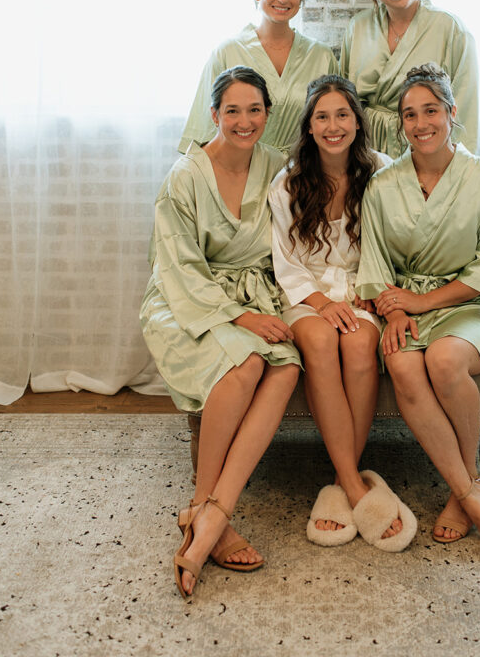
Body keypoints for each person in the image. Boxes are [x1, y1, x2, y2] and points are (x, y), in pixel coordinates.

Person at [140, 66, 301, 599]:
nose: (244, 120)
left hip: (256, 294)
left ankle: (205, 514)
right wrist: (239, 317)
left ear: (268, 115)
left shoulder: (279, 167)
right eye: (232, 110)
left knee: (283, 364)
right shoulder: (184, 177)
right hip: (188, 300)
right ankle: (211, 510)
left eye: (255, 109)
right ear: (214, 115)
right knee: (247, 362)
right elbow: (177, 267)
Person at [356, 63, 480, 558]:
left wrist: (422, 302)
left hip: (469, 304)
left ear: (451, 113)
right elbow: (374, 262)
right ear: (400, 123)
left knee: (444, 361)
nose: (421, 123)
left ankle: (459, 487)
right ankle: (473, 493)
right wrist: (396, 310)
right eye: (409, 114)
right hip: (404, 306)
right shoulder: (384, 185)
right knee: (404, 361)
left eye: (431, 110)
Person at [268, 75, 417, 552]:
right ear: (309, 126)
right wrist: (321, 304)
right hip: (307, 292)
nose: (333, 126)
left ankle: (338, 480)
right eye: (322, 117)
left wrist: (373, 294)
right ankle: (357, 486)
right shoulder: (289, 181)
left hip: (361, 288)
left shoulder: (383, 171)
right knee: (318, 341)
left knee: (357, 345)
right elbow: (286, 262)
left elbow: (393, 244)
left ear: (358, 121)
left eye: (342, 115)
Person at [180, 0, 337, 155]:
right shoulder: (227, 52)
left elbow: (335, 123)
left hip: (301, 175)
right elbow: (202, 134)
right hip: (239, 171)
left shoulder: (321, 56)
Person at [339, 0, 478, 157]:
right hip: (365, 151)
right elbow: (341, 100)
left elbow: (465, 108)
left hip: (425, 148)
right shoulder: (358, 27)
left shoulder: (450, 29)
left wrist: (452, 169)